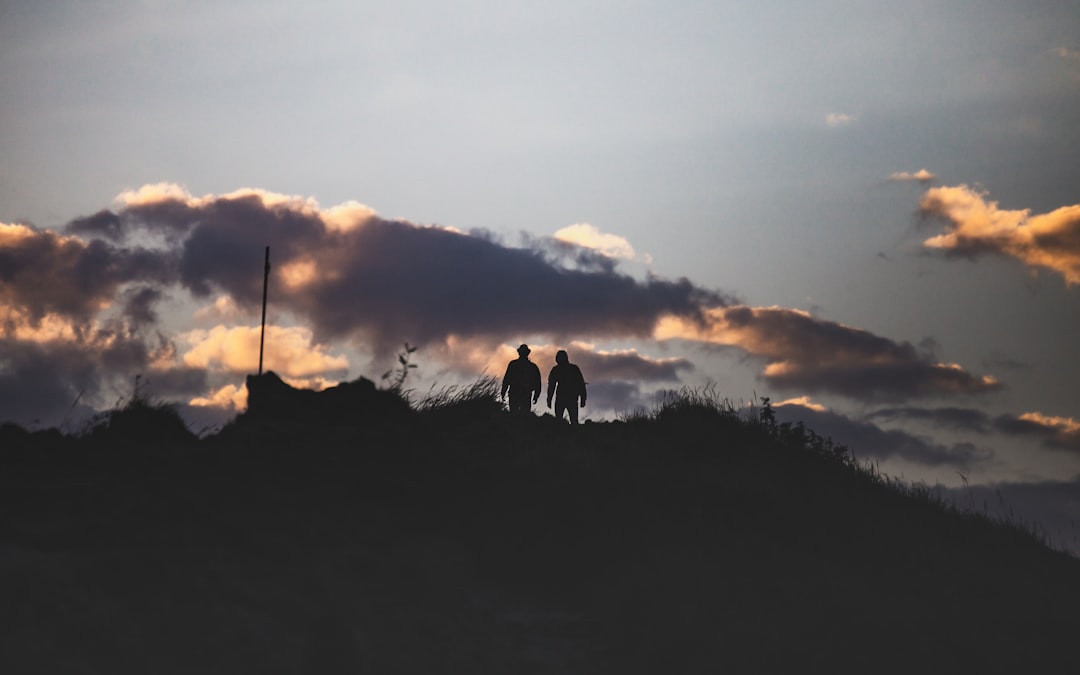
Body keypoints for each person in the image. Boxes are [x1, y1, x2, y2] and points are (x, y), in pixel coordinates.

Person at [546, 349, 587, 425]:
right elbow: (581, 384)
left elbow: (581, 384)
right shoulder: (572, 369)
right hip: (566, 398)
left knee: (566, 421)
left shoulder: (560, 369)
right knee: (564, 421)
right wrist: (549, 399)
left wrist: (549, 399)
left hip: (567, 398)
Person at [501, 344, 542, 413]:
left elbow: (506, 379)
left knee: (516, 415)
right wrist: (536, 395)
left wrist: (503, 391)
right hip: (520, 394)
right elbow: (537, 383)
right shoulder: (532, 367)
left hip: (521, 394)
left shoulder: (513, 364)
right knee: (522, 416)